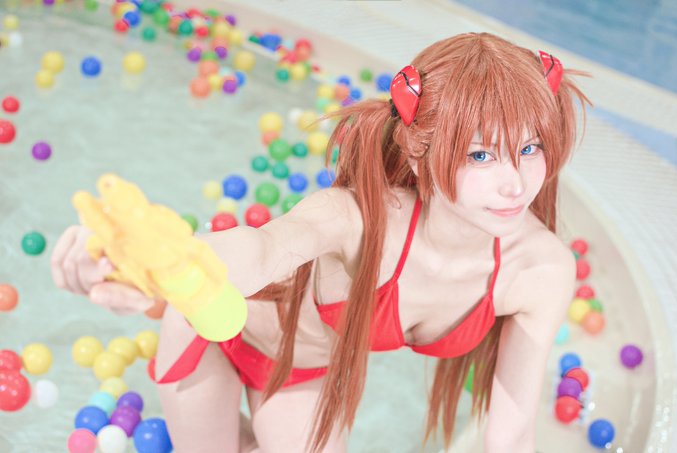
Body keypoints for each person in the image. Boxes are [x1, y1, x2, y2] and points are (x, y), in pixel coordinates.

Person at [51, 32, 590, 452]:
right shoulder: (360, 217)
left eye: (530, 148)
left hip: (301, 372)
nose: (515, 184)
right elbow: (262, 250)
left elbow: (511, 435)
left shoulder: (539, 272)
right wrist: (159, 259)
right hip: (213, 331)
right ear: (419, 152)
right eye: (480, 155)